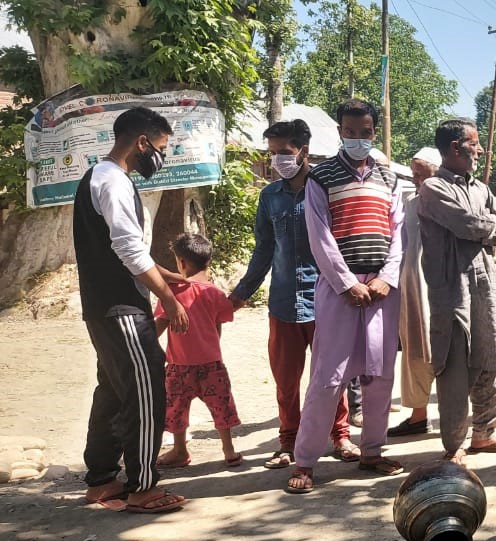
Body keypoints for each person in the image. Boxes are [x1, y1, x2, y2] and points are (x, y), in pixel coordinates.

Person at [285, 99, 405, 493]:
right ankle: (305, 461)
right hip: (341, 292)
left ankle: (372, 450)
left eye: (365, 131)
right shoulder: (321, 178)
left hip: (381, 292)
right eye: (350, 132)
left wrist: (387, 277)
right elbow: (318, 237)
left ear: (375, 131)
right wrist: (345, 282)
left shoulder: (390, 180)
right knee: (327, 377)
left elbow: (398, 235)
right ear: (340, 132)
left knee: (380, 374)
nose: (358, 138)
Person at [75, 106, 189, 513]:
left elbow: (126, 248)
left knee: (112, 390)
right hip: (122, 308)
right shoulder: (114, 182)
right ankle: (142, 487)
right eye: (160, 148)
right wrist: (168, 299)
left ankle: (102, 480)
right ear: (141, 142)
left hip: (103, 307)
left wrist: (164, 275)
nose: (159, 157)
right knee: (145, 390)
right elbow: (127, 250)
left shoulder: (100, 177)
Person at [231, 119, 358, 467]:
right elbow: (263, 250)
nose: (277, 161)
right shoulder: (269, 196)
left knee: (332, 377)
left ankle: (340, 436)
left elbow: (342, 245)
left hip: (326, 302)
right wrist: (241, 293)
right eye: (272, 154)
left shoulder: (327, 189)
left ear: (303, 150)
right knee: (286, 381)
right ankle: (287, 441)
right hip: (284, 303)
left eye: (283, 153)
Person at [420, 118, 496, 466]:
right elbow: (468, 224)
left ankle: (485, 433)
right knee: (455, 364)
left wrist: (494, 225)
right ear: (454, 148)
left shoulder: (480, 188)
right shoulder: (433, 188)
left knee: (493, 354)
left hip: (485, 284)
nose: (479, 150)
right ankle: (454, 443)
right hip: (451, 289)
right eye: (474, 143)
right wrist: (495, 226)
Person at [153, 233, 242, 469]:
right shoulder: (214, 292)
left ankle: (180, 450)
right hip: (212, 363)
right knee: (221, 405)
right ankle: (229, 449)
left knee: (175, 410)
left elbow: (159, 327)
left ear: (181, 262)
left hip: (179, 365)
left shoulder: (170, 294)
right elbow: (218, 325)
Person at [387, 147, 441, 437]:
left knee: (448, 350)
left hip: (442, 287)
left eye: (423, 173)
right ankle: (418, 415)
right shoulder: (406, 200)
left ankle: (456, 420)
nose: (417, 179)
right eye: (414, 173)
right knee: (414, 351)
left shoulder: (450, 200)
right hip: (410, 287)